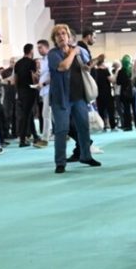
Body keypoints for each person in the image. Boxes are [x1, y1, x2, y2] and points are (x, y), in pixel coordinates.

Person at [47, 23, 100, 173]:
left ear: (69, 36)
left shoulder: (79, 52)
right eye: (58, 34)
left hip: (79, 97)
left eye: (64, 33)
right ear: (54, 39)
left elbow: (86, 67)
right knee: (61, 130)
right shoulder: (53, 54)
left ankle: (86, 156)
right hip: (61, 98)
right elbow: (63, 67)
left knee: (83, 127)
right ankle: (60, 162)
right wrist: (73, 52)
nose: (61, 36)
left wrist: (90, 63)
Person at [14, 44, 39, 146]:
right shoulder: (32, 62)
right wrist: (37, 84)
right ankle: (22, 139)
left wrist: (17, 90)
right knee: (26, 115)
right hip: (30, 90)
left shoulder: (18, 63)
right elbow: (33, 77)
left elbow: (16, 78)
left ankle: (35, 135)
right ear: (31, 51)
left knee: (28, 114)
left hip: (21, 91)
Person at [35, 39, 52, 148]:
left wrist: (44, 83)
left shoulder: (51, 59)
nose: (39, 50)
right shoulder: (43, 61)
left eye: (40, 47)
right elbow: (45, 74)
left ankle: (45, 138)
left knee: (46, 114)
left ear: (46, 47)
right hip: (45, 90)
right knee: (50, 115)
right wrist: (38, 76)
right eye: (38, 48)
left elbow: (53, 75)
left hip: (50, 89)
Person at [116, 54, 136, 131]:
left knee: (126, 110)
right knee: (134, 109)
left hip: (124, 93)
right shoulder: (132, 70)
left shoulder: (121, 71)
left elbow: (118, 82)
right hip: (133, 92)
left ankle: (128, 126)